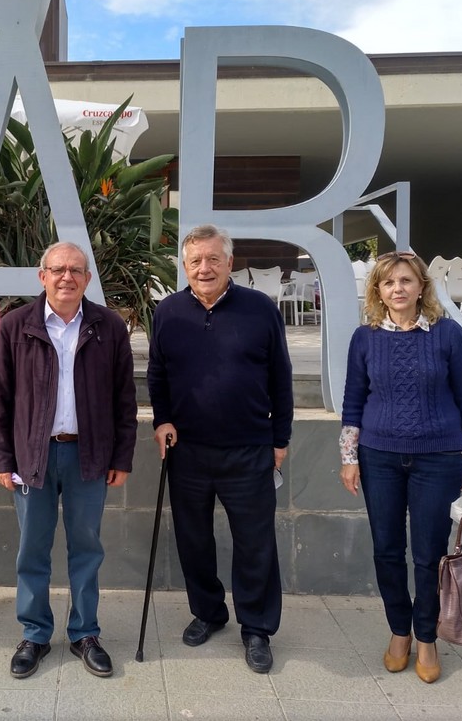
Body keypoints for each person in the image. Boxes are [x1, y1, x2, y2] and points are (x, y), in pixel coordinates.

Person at [0, 241, 138, 680]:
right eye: (58, 269)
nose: (66, 277)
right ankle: (34, 634)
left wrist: (122, 456)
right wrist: (0, 459)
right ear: (42, 276)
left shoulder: (108, 326)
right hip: (32, 455)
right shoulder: (15, 326)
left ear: (87, 279)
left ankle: (85, 633)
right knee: (32, 549)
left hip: (89, 455)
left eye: (75, 270)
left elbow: (124, 400)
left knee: (86, 548)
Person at [147, 224, 293, 674]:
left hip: (249, 448)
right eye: (195, 261)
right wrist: (162, 419)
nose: (204, 268)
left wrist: (280, 438)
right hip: (187, 450)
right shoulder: (168, 312)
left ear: (231, 263)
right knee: (193, 540)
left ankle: (257, 628)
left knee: (255, 543)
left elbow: (281, 377)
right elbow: (157, 374)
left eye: (213, 259)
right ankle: (208, 612)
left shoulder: (260, 308)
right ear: (184, 266)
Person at [339, 250, 462, 684]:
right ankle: (398, 632)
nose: (398, 289)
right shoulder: (364, 338)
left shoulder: (447, 335)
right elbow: (353, 401)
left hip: (438, 459)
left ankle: (426, 637)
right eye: (388, 283)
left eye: (406, 281)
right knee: (387, 550)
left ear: (422, 286)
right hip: (379, 456)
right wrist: (349, 458)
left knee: (428, 556)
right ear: (378, 291)